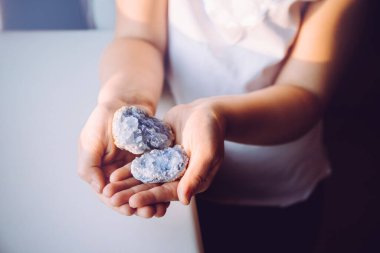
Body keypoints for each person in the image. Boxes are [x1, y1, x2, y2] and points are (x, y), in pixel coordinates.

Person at [77, 0, 361, 252]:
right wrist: (122, 100)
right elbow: (138, 37)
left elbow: (305, 93)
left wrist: (217, 116)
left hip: (274, 185)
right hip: (177, 197)